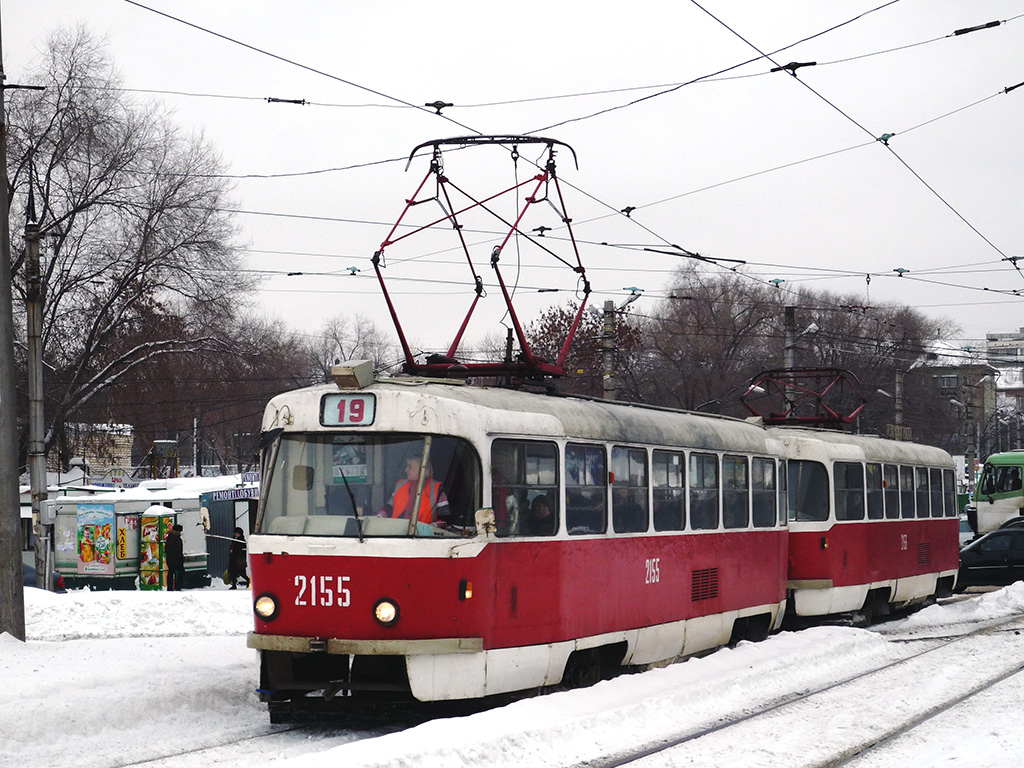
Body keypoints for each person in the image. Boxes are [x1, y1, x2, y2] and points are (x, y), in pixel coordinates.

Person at [381, 456, 450, 526]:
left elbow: (445, 518)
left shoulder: (436, 489)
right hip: (397, 531)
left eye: (410, 467)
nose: (406, 470)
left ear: (422, 469)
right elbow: (389, 507)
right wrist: (380, 516)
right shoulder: (400, 485)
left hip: (422, 535)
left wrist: (433, 527)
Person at [165, 524, 185, 591]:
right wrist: (181, 558)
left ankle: (170, 587)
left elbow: (166, 549)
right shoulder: (177, 539)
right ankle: (177, 587)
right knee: (181, 572)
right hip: (177, 559)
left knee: (170, 572)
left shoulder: (169, 538)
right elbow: (178, 550)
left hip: (169, 559)